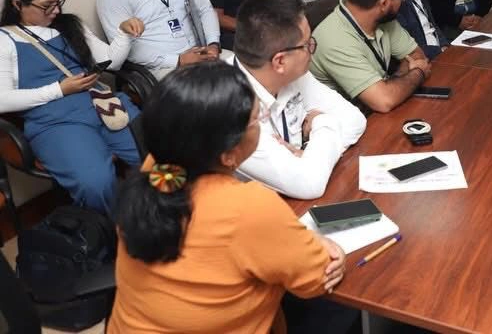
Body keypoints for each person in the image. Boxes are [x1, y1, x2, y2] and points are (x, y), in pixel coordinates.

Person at [110, 62, 345, 333]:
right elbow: (317, 278)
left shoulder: (157, 168)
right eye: (257, 120)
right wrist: (326, 246)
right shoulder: (247, 207)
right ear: (228, 155)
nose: (261, 123)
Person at [0, 0, 142, 215]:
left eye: (58, 2)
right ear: (18, 4)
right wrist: (59, 90)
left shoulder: (68, 25)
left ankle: (171, 215)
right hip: (56, 124)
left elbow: (111, 61)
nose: (56, 10)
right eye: (47, 5)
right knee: (95, 183)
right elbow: (3, 100)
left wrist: (123, 33)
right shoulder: (5, 40)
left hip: (104, 106)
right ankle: (114, 231)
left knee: (159, 152)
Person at [230, 0, 366, 199]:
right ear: (280, 62)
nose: (312, 49)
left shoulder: (288, 72)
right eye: (306, 44)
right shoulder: (229, 109)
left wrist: (311, 156)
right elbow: (309, 185)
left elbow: (354, 120)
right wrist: (322, 122)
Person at [311, 0, 431, 113]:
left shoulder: (382, 18)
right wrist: (418, 73)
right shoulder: (334, 40)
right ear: (384, 3)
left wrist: (395, 82)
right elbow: (384, 101)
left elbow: (416, 55)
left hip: (373, 111)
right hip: (341, 120)